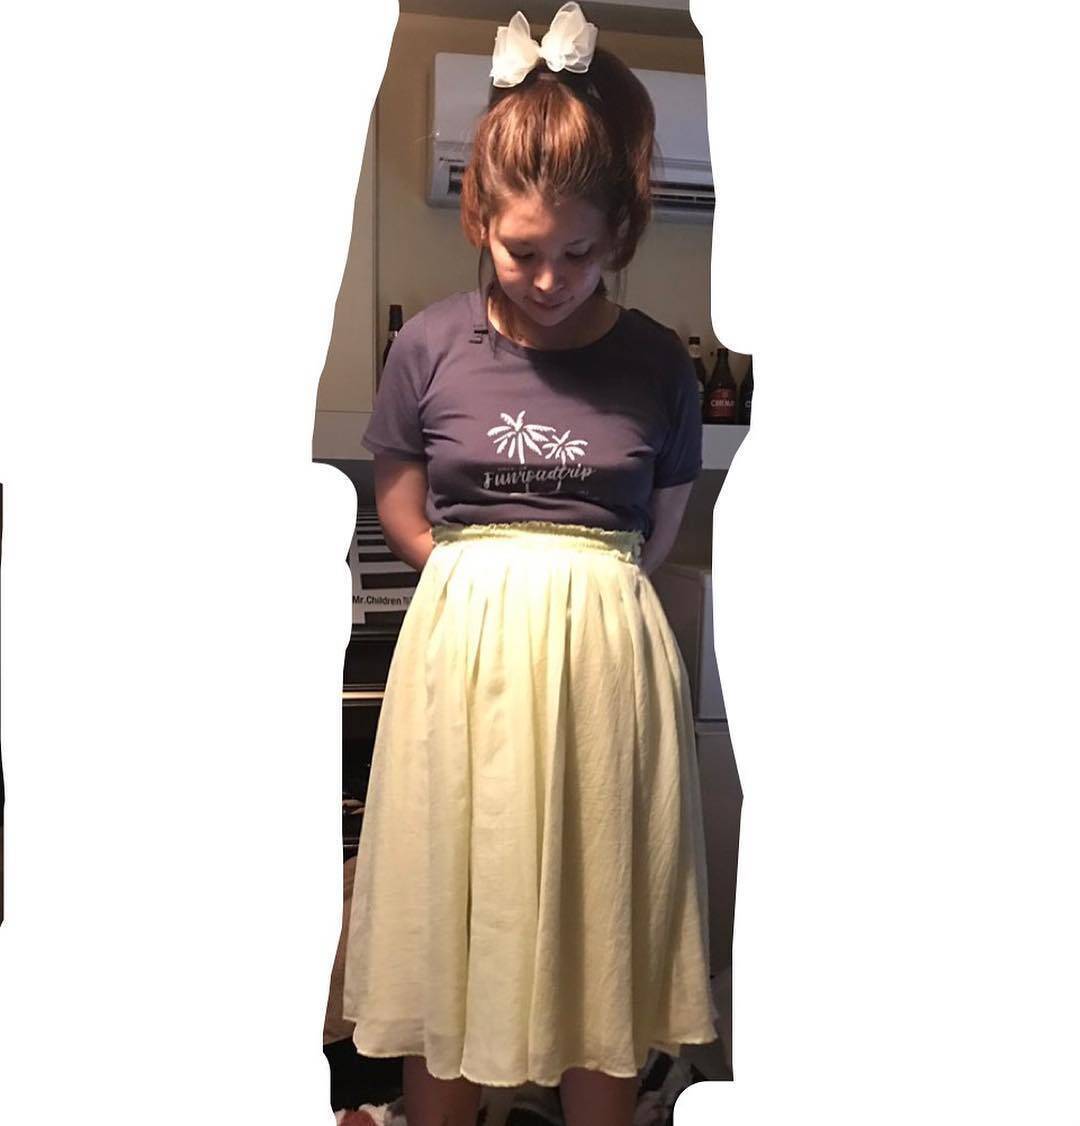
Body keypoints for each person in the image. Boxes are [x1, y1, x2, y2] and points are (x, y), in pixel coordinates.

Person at [342, 5, 719, 1124]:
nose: (550, 277)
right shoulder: (428, 346)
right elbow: (401, 503)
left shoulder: (659, 363)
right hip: (463, 664)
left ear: (620, 232)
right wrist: (491, 590)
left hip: (604, 673)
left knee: (600, 922)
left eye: (578, 254)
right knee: (451, 920)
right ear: (480, 218)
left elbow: (658, 529)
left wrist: (568, 597)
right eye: (522, 252)